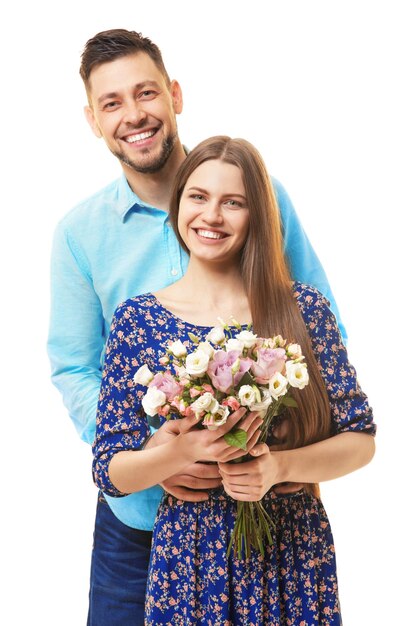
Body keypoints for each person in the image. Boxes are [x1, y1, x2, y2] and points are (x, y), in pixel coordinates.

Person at [47, 29, 347, 624]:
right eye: (112, 103)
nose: (134, 115)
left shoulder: (260, 195)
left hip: (263, 507)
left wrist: (281, 451)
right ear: (93, 119)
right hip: (139, 519)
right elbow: (76, 367)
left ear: (175, 95)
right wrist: (157, 451)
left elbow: (313, 333)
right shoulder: (80, 234)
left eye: (146, 93)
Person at [92, 136, 376, 625]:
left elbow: (361, 440)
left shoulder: (303, 310)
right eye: (198, 197)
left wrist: (278, 468)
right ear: (178, 204)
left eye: (234, 202)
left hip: (292, 555)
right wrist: (177, 454)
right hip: (190, 558)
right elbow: (109, 471)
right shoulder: (137, 319)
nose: (212, 216)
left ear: (258, 215)